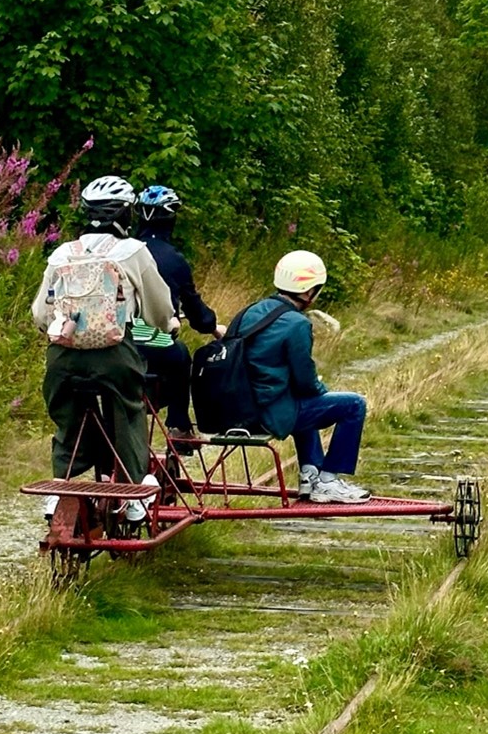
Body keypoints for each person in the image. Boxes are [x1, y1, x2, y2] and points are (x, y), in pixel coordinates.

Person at [31, 175, 175, 522]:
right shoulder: (133, 252)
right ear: (126, 215)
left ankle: (59, 488)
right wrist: (165, 325)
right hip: (114, 356)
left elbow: (39, 314)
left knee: (67, 416)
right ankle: (134, 492)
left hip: (63, 357)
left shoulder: (62, 254)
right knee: (128, 409)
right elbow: (158, 309)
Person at [229, 250, 371, 504]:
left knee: (300, 401)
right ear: (307, 292)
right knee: (353, 404)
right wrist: (322, 388)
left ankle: (310, 473)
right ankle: (327, 482)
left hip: (236, 410)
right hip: (267, 415)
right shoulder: (297, 324)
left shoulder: (250, 312)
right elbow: (306, 383)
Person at [133, 183, 217, 442]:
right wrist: (213, 326)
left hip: (118, 336)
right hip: (147, 336)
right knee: (180, 354)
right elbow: (198, 315)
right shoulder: (173, 258)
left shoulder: (123, 250)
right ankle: (179, 426)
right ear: (171, 219)